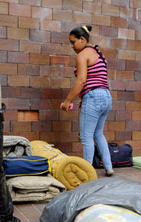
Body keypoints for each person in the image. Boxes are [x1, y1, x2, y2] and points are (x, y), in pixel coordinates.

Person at [60, 25, 114, 176]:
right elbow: (97, 80)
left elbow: (81, 80)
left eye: (73, 42)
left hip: (94, 97)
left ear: (82, 39)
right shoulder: (99, 54)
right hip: (106, 97)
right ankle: (109, 168)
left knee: (86, 137)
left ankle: (87, 172)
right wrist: (85, 97)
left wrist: (67, 100)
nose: (72, 46)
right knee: (98, 134)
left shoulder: (83, 55)